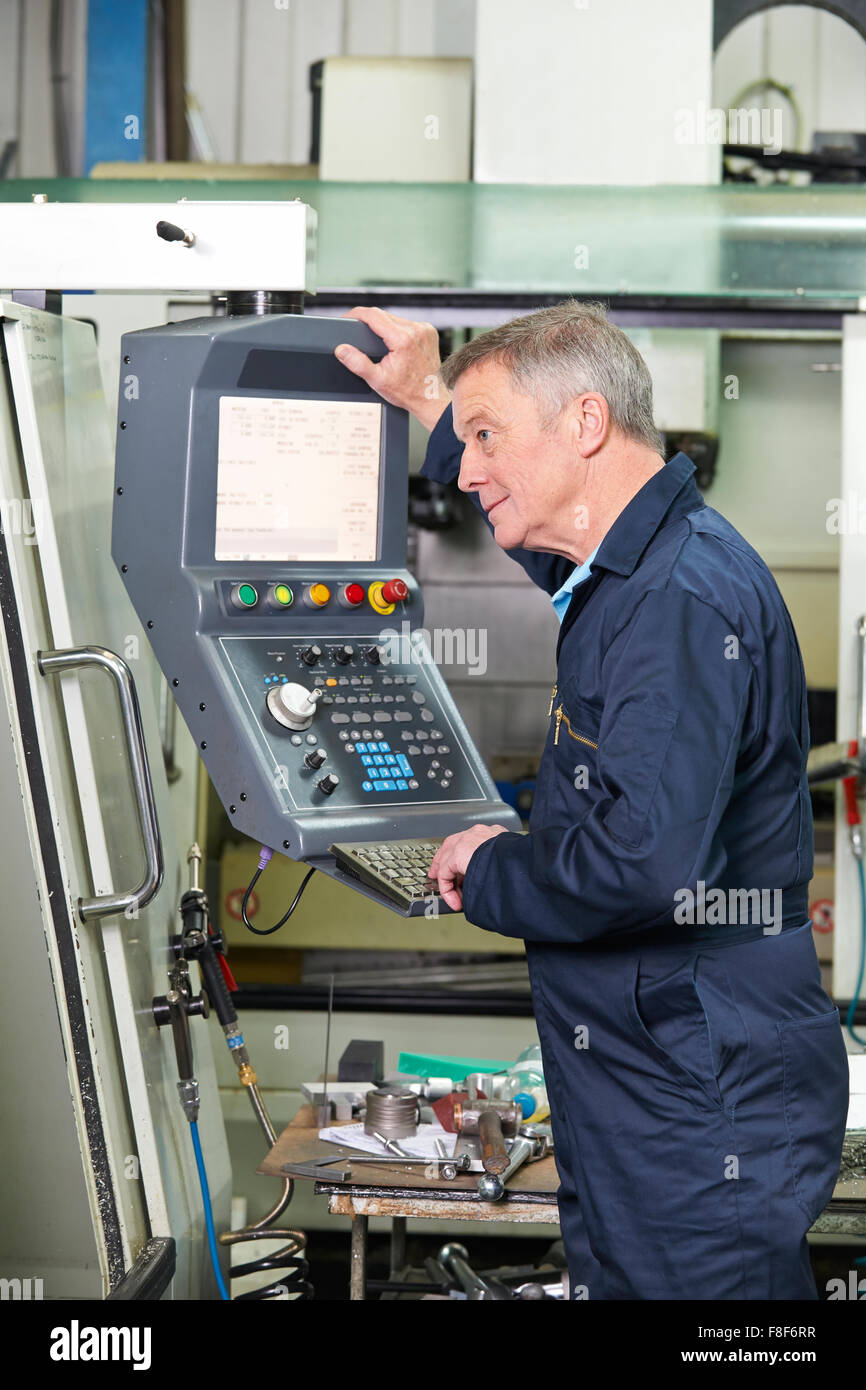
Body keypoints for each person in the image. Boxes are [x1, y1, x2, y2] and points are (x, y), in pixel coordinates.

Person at [334, 301, 850, 1300]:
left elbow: (638, 863)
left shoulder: (673, 600)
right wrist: (436, 401)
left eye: (488, 439)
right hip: (658, 1065)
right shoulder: (636, 570)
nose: (468, 468)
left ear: (582, 423)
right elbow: (544, 548)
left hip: (693, 1084)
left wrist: (484, 864)